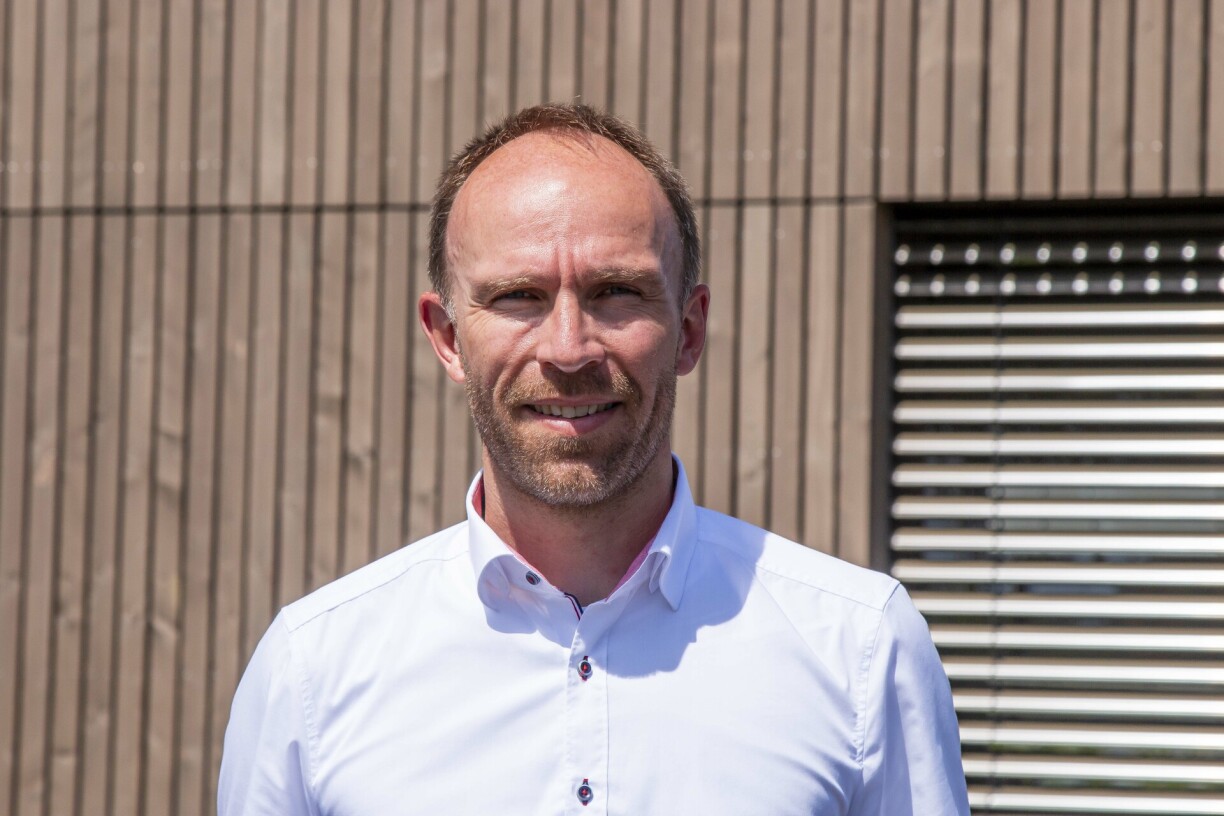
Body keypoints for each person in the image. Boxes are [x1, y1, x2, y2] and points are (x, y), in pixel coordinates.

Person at [218, 103, 970, 815]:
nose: (569, 350)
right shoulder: (311, 673)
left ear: (690, 329)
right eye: (518, 296)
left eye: (616, 292)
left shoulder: (862, 650)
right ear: (447, 337)